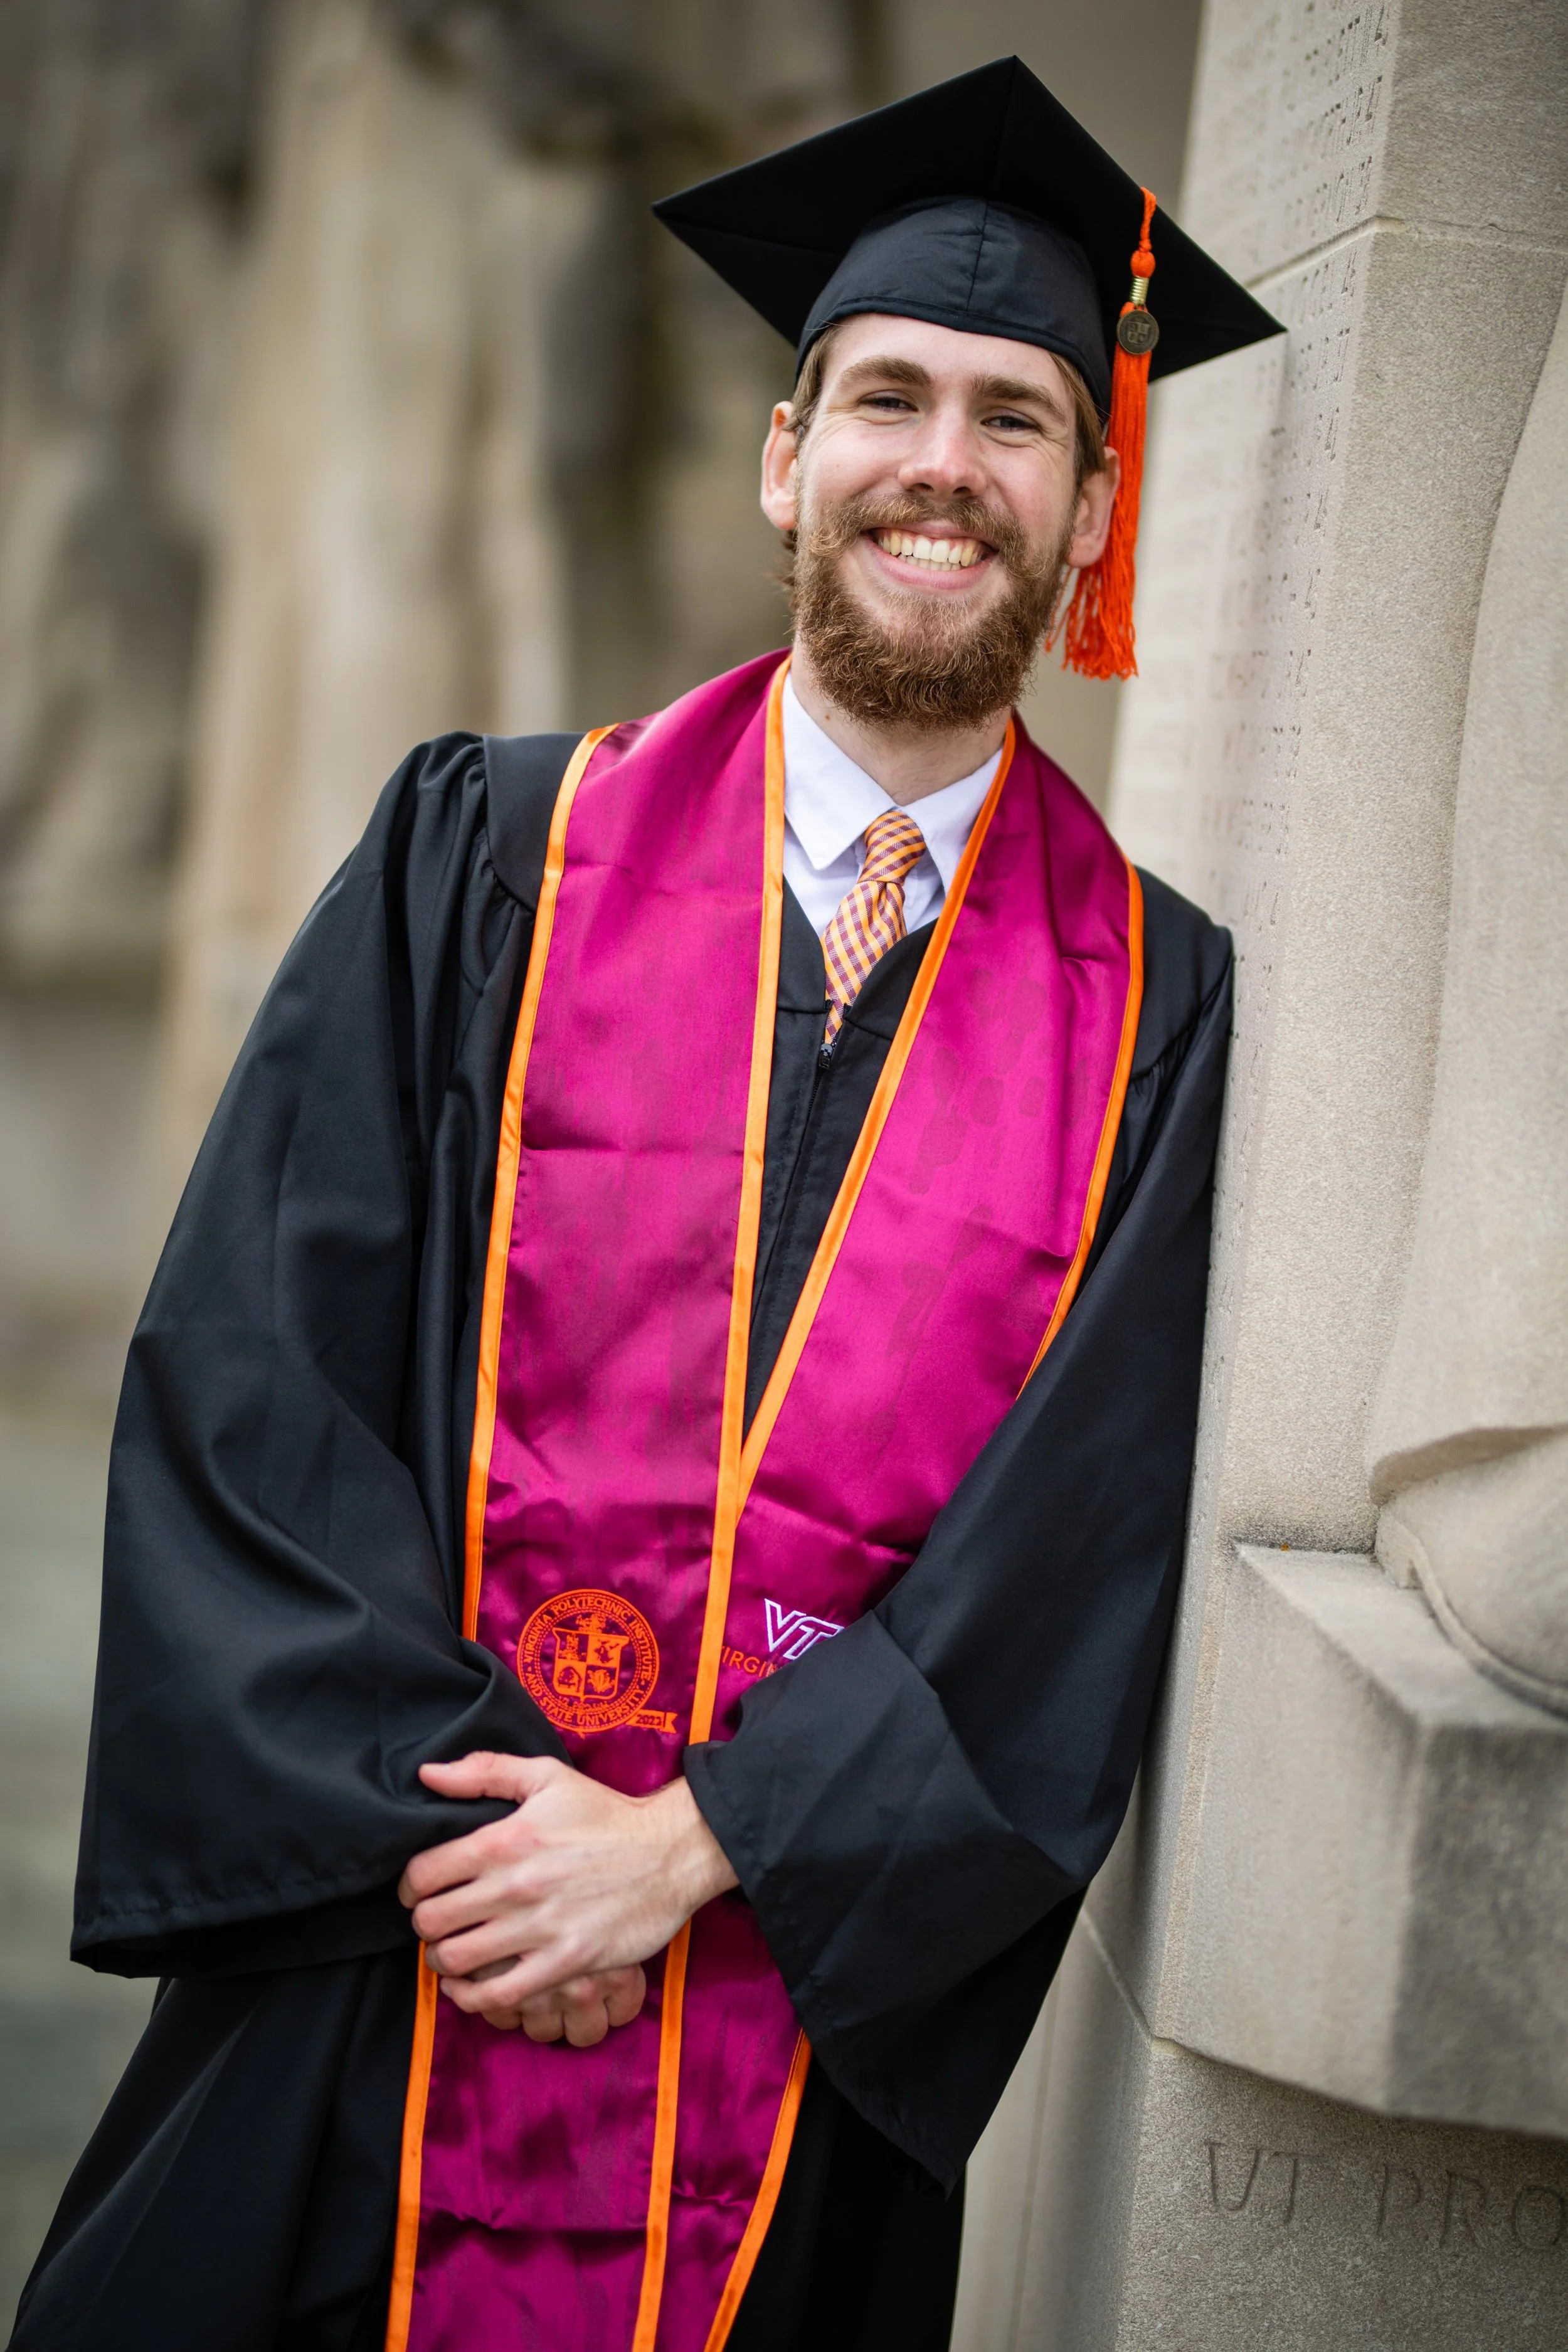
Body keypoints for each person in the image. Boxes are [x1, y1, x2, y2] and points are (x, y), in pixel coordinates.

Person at [14, 55, 1279, 2352]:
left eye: (1020, 420)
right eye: (888, 397)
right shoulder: (484, 852)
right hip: (383, 1972)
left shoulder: (1154, 1011)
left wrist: (691, 1857)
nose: (944, 465)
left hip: (785, 2046)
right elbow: (250, 1371)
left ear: (1092, 515)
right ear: (785, 456)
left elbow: (1067, 1552)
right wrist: (493, 1858)